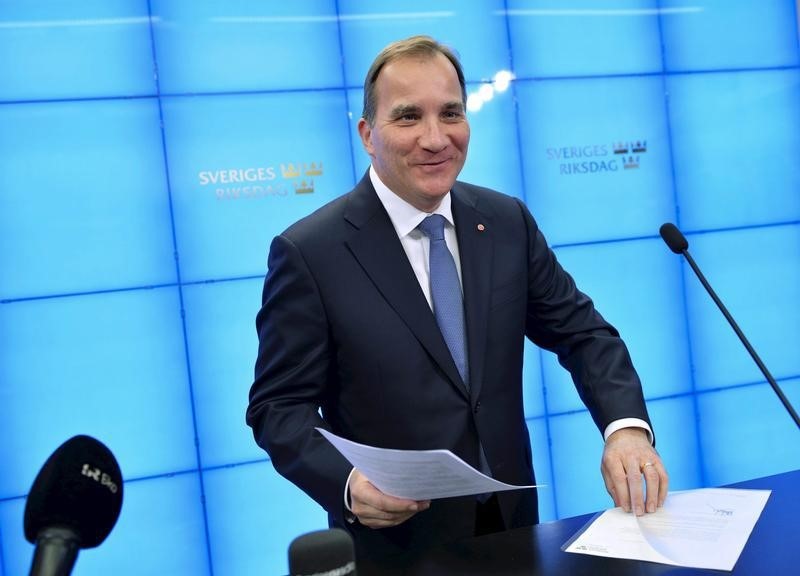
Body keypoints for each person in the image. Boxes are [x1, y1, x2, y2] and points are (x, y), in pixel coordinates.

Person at [246, 35, 668, 566]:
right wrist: (349, 484)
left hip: (513, 532)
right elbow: (278, 407)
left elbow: (585, 335)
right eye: (407, 117)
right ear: (367, 135)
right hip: (398, 549)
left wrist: (625, 430)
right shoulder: (310, 252)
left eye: (450, 113)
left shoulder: (506, 221)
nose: (435, 138)